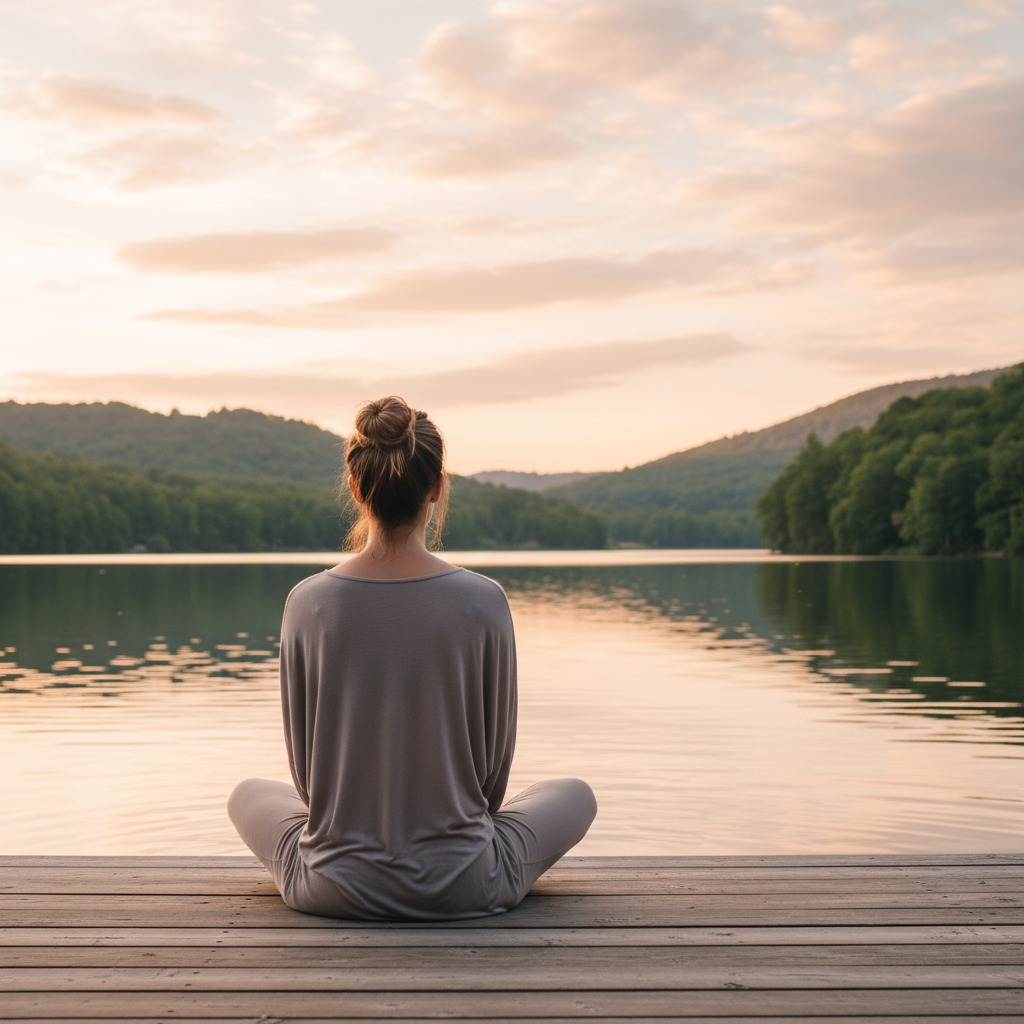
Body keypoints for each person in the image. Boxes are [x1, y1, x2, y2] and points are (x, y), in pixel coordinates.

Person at [229, 395, 596, 920]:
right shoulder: (483, 600)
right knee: (574, 794)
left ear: (356, 489)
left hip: (331, 885)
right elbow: (493, 776)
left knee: (248, 794)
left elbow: (308, 777)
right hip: (468, 881)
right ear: (437, 488)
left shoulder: (307, 602)